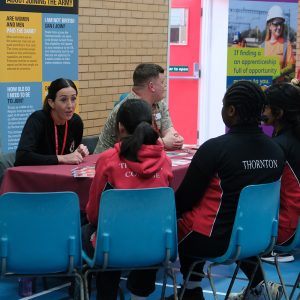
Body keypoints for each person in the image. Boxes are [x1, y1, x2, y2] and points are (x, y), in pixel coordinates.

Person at [166, 81, 285, 300]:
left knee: (178, 223)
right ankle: (256, 285)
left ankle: (190, 291)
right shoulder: (276, 150)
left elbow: (184, 200)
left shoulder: (215, 149)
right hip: (258, 238)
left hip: (214, 241)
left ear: (231, 110)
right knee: (213, 220)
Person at [82, 98, 173, 300]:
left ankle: (104, 294)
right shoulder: (164, 160)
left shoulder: (108, 160)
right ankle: (139, 295)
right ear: (150, 126)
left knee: (97, 232)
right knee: (144, 231)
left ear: (120, 128)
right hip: (155, 243)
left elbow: (94, 214)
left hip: (113, 244)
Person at [229, 80, 300, 299]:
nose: (262, 111)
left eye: (266, 107)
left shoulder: (277, 147)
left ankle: (259, 288)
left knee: (232, 226)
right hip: (297, 227)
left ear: (278, 112)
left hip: (287, 229)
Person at [93, 63, 184, 154]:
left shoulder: (159, 103)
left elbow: (169, 130)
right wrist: (164, 142)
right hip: (111, 162)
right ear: (151, 86)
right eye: (162, 83)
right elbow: (137, 144)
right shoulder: (128, 109)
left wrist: (175, 139)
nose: (164, 87)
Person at [15, 78, 89, 166]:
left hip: (61, 175)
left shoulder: (76, 122)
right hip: (34, 176)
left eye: (73, 99)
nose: (70, 106)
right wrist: (62, 158)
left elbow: (71, 154)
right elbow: (22, 157)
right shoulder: (38, 119)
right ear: (51, 103)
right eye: (63, 100)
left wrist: (78, 152)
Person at [263, 5, 295, 83]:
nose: (279, 27)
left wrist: (277, 74)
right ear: (269, 26)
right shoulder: (262, 46)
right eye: (276, 24)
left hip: (279, 88)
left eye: (281, 24)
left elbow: (291, 66)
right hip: (264, 86)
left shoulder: (286, 44)